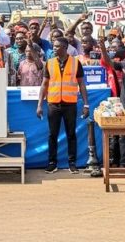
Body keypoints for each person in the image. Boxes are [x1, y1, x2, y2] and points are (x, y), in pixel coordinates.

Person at [35, 37, 89, 174]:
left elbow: (82, 84)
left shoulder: (76, 63)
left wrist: (86, 105)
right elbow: (44, 85)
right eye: (53, 46)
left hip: (70, 104)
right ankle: (52, 163)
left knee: (71, 134)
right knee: (52, 135)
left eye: (57, 46)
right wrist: (39, 105)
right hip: (53, 104)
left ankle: (72, 163)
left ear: (65, 48)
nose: (54, 48)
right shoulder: (50, 63)